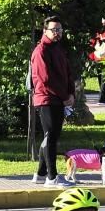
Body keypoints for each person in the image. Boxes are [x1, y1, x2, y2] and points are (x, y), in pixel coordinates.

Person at [31, 15, 76, 187]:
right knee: (50, 137)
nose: (57, 33)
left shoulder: (58, 49)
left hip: (59, 99)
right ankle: (52, 177)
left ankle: (40, 174)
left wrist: (71, 94)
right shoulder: (41, 51)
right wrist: (65, 96)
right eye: (54, 30)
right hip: (47, 99)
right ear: (45, 31)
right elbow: (46, 79)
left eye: (59, 30)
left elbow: (67, 74)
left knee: (51, 137)